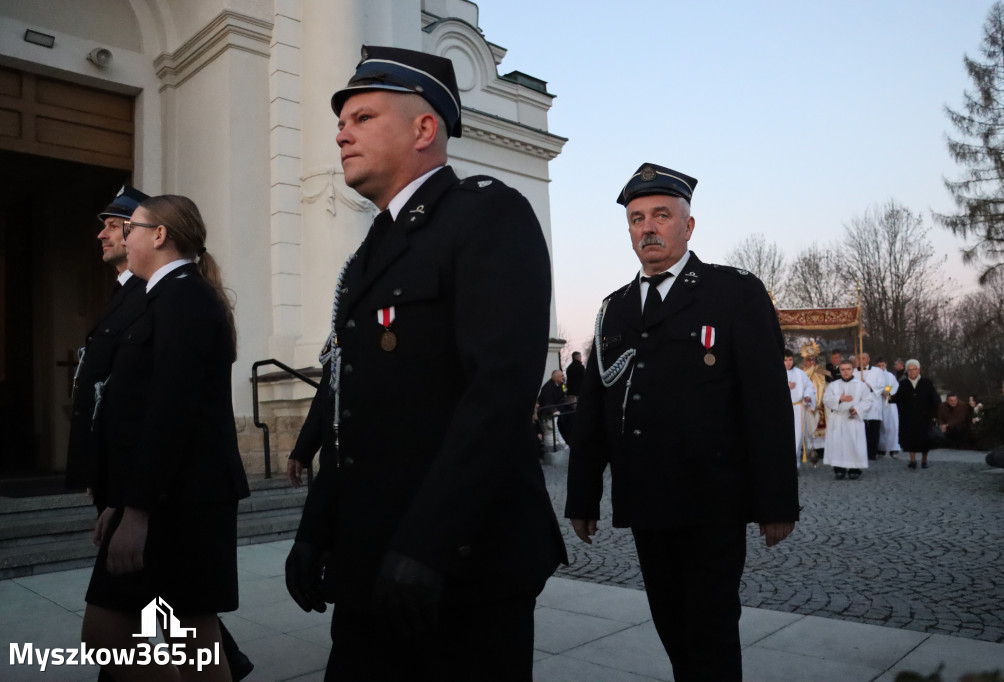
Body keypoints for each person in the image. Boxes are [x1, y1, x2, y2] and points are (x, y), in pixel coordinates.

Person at [283, 46, 566, 681]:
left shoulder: (486, 213)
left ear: (424, 128)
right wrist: (316, 527)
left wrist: (430, 543)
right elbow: (349, 413)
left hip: (460, 562)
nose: (341, 132)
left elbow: (496, 394)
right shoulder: (371, 251)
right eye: (341, 121)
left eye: (361, 117)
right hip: (370, 556)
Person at [565, 162, 799, 682]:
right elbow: (597, 411)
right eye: (636, 218)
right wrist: (582, 496)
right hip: (646, 497)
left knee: (712, 626)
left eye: (661, 215)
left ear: (688, 226)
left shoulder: (733, 293)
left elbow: (765, 402)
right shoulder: (614, 309)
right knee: (670, 622)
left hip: (712, 497)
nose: (647, 227)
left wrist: (777, 501)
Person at [80, 195, 251, 682]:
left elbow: (171, 412)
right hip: (163, 495)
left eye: (131, 227)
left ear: (159, 236)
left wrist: (135, 510)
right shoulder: (164, 295)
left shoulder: (184, 297)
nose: (122, 237)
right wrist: (121, 500)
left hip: (184, 500)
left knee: (168, 635)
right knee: (177, 635)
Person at [65, 186, 150, 499]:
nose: (102, 235)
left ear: (139, 233)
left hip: (126, 470)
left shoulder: (149, 294)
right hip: (111, 466)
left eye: (114, 226)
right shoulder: (123, 291)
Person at [822, 360, 873, 480]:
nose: (845, 372)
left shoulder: (861, 385)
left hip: (853, 419)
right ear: (840, 371)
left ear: (852, 370)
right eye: (843, 369)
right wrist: (840, 398)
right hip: (838, 418)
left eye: (848, 369)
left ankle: (854, 469)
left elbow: (868, 400)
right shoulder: (833, 385)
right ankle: (839, 469)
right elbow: (826, 400)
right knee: (838, 444)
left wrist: (857, 408)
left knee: (853, 444)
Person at [889, 359, 940, 470]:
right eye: (910, 370)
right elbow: (898, 398)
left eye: (914, 369)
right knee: (910, 439)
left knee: (924, 439)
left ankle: (924, 460)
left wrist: (934, 414)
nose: (912, 372)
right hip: (908, 416)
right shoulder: (903, 384)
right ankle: (912, 460)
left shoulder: (927, 383)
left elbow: (934, 399)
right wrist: (889, 396)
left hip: (924, 415)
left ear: (919, 370)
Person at [784, 349, 815, 467]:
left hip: (797, 408)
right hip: (781, 409)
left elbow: (810, 387)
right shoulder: (777, 372)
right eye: (785, 360)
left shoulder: (800, 373)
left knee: (797, 435)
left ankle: (794, 464)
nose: (788, 363)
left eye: (790, 360)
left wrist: (807, 396)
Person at [800, 342, 829, 460]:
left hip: (819, 402)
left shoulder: (820, 370)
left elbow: (824, 383)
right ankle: (805, 449)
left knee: (820, 425)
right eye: (808, 360)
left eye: (813, 360)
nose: (811, 362)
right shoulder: (800, 372)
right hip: (804, 403)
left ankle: (820, 450)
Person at [857, 352, 888, 460]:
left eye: (864, 358)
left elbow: (881, 385)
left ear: (868, 359)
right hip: (860, 404)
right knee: (861, 430)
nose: (862, 360)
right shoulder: (854, 372)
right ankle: (862, 453)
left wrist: (869, 386)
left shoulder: (877, 371)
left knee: (874, 431)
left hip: (874, 403)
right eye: (860, 358)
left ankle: (872, 453)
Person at [875, 358, 901, 458]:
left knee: (892, 426)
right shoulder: (874, 375)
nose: (881, 368)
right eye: (879, 366)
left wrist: (887, 392)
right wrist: (881, 392)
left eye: (883, 365)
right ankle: (881, 448)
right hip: (878, 402)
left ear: (885, 365)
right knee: (880, 427)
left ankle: (893, 448)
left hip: (889, 403)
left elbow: (892, 386)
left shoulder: (890, 376)